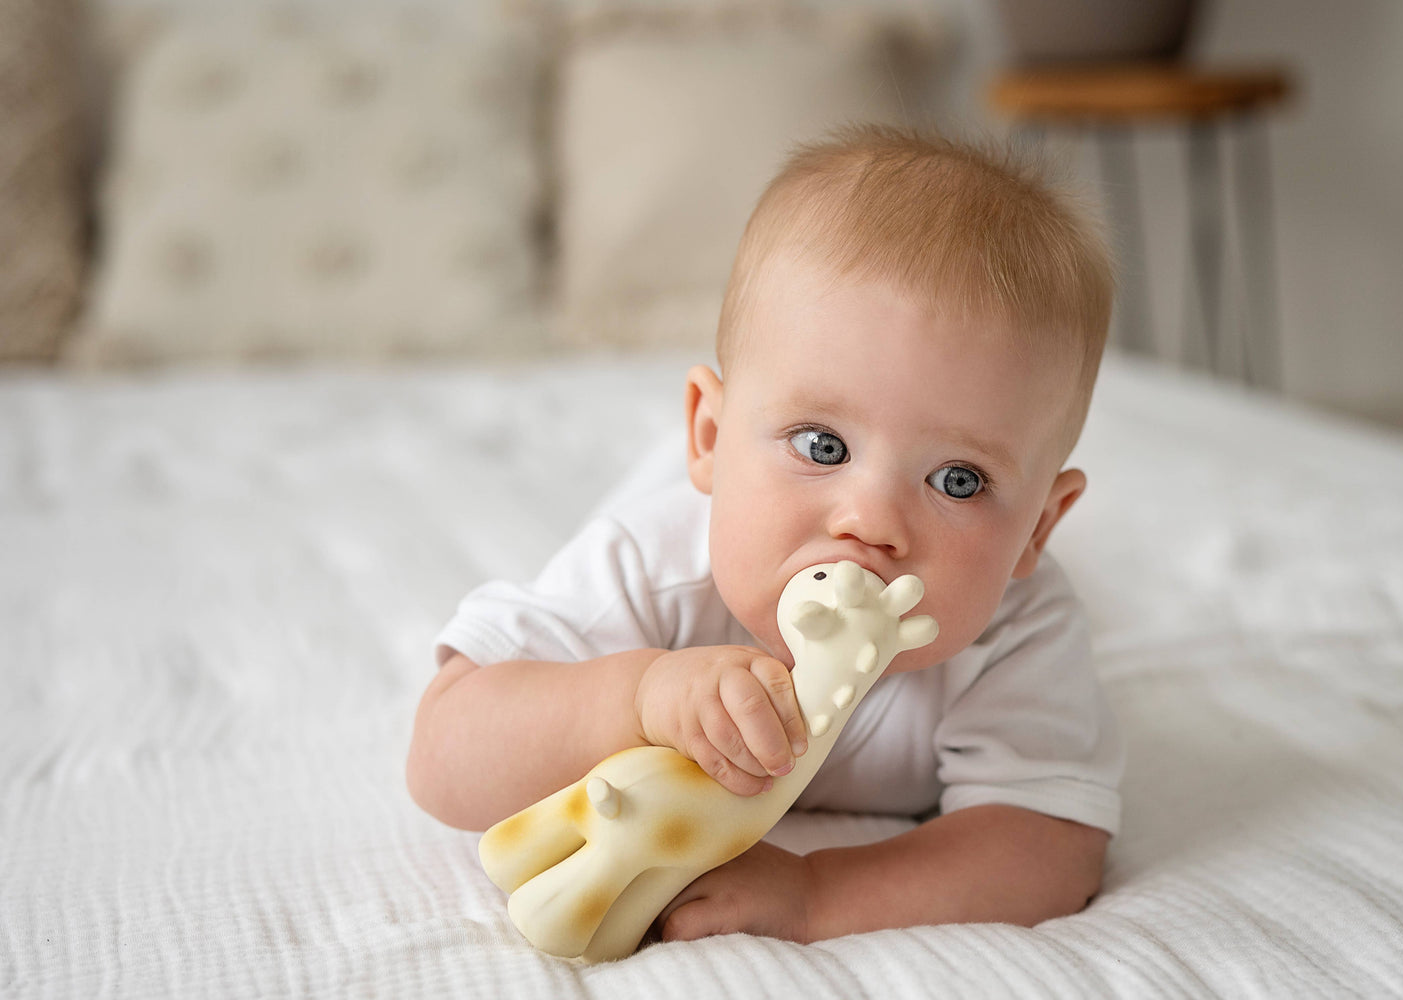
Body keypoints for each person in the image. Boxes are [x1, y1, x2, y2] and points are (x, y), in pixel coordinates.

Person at [407, 124, 1124, 945]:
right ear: (709, 437)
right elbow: (442, 752)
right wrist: (634, 699)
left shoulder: (1017, 630)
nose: (871, 522)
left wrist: (818, 894)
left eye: (958, 480)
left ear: (1038, 528)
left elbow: (1049, 844)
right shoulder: (653, 567)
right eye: (822, 445)